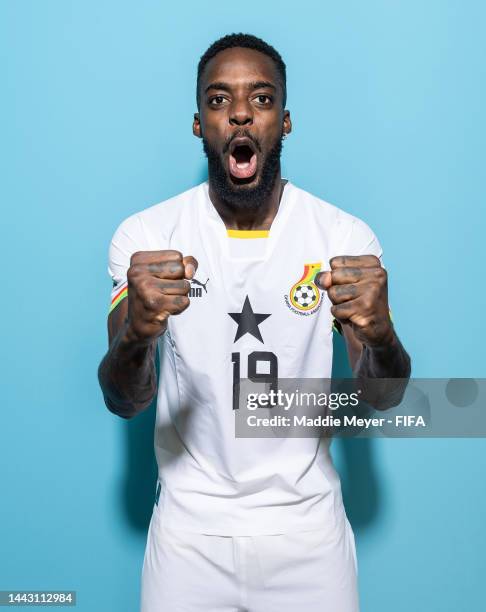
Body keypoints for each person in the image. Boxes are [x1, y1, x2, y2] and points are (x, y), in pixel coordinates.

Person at [98, 32, 411, 612]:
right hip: (189, 537)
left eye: (261, 99)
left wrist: (383, 334)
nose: (240, 113)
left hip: (308, 536)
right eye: (218, 101)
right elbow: (123, 399)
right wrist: (137, 336)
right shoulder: (145, 238)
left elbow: (384, 396)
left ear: (285, 122)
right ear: (198, 125)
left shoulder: (343, 238)